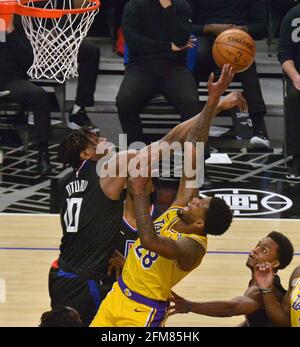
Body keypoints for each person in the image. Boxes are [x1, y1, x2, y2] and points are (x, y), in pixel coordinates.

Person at [49, 65, 246, 327]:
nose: (104, 137)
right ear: (86, 154)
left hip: (64, 273)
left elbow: (193, 148)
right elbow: (173, 139)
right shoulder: (112, 168)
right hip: (90, 282)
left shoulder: (67, 182)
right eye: (96, 139)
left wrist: (212, 104)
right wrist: (215, 105)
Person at [116, 0, 202, 145]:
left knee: (191, 103)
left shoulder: (182, 5)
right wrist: (167, 47)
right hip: (141, 66)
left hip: (174, 67)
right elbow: (133, 41)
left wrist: (168, 8)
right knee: (124, 101)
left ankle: (194, 151)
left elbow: (181, 39)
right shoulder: (134, 5)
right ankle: (136, 149)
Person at [187, 0, 270, 149]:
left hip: (237, 39)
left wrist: (241, 29)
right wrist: (209, 28)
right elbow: (186, 26)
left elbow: (262, 28)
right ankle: (191, 124)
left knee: (247, 64)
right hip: (207, 37)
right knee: (196, 56)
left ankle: (259, 128)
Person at [169, 231, 294, 327]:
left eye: (264, 250)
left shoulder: (261, 292)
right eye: (258, 245)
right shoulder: (260, 281)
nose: (255, 250)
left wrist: (189, 306)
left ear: (275, 264)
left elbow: (232, 308)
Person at [0, 15, 51, 175]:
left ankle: (43, 155)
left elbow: (28, 60)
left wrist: (11, 33)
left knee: (39, 95)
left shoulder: (17, 22)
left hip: (12, 80)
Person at [278, 3, 300, 179]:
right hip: (299, 75)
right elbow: (285, 55)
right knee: (294, 96)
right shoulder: (294, 15)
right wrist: (295, 77)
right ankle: (297, 158)